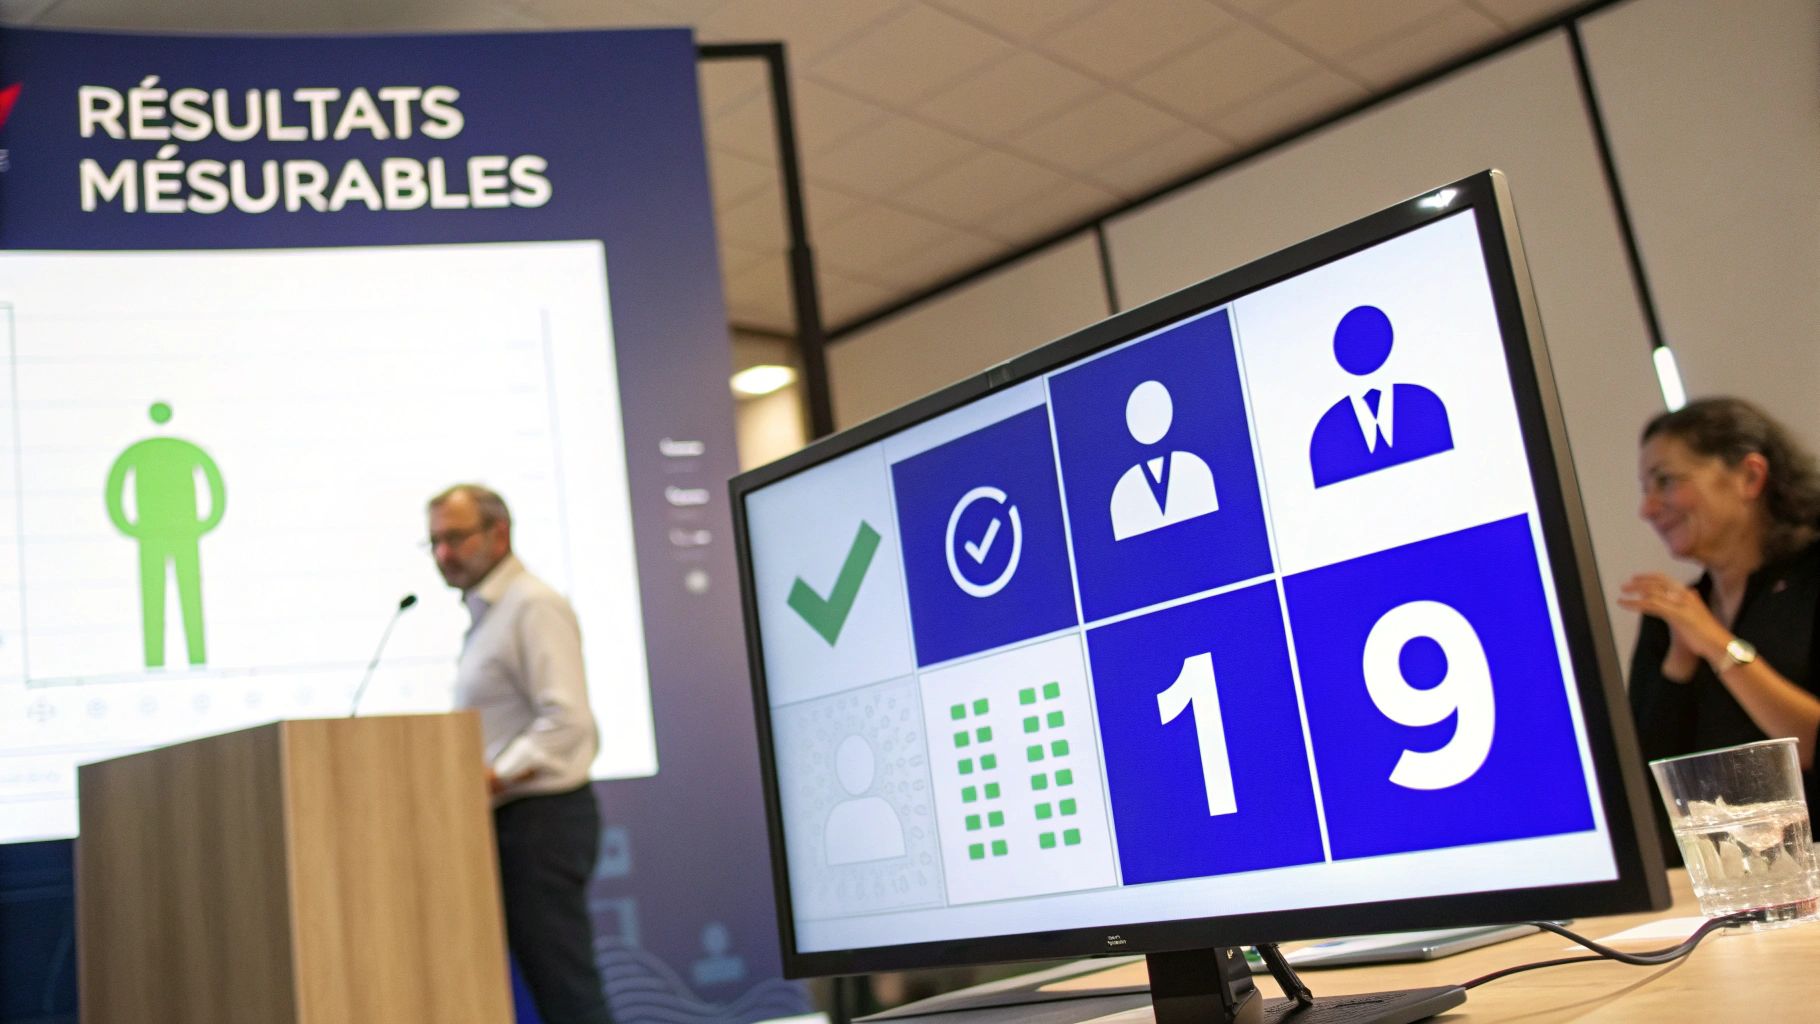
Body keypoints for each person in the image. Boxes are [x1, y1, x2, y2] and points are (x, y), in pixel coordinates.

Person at [427, 484, 614, 1024]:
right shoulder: (488, 615)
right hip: (510, 825)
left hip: (541, 823)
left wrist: (490, 776)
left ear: (499, 533)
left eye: (456, 538)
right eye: (435, 541)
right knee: (542, 994)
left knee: (565, 992)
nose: (444, 554)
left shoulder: (532, 605)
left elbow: (567, 721)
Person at [1620, 398, 1820, 856]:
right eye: (1644, 488)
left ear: (1750, 476)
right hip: (1719, 879)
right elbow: (1648, 785)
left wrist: (1717, 644)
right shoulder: (1673, 615)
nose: (1648, 509)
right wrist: (1679, 659)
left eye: (1665, 482)